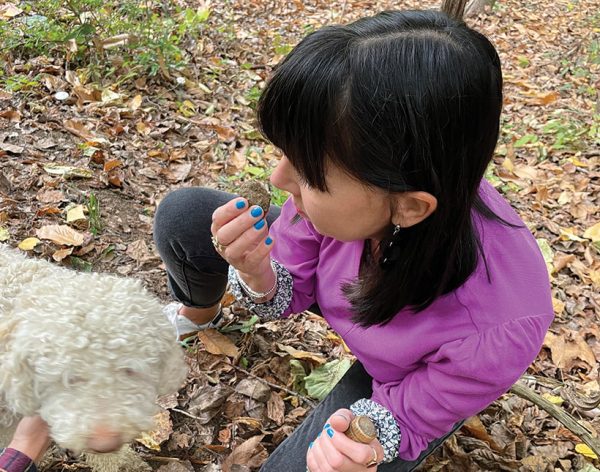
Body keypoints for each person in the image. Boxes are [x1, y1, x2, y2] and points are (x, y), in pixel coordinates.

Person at [154, 9, 553, 472]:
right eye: (286, 155)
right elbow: (290, 289)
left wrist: (363, 445)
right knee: (184, 217)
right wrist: (256, 270)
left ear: (408, 206)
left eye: (306, 173)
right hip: (360, 283)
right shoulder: (349, 197)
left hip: (404, 372)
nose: (279, 178)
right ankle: (198, 313)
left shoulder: (498, 327)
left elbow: (408, 415)